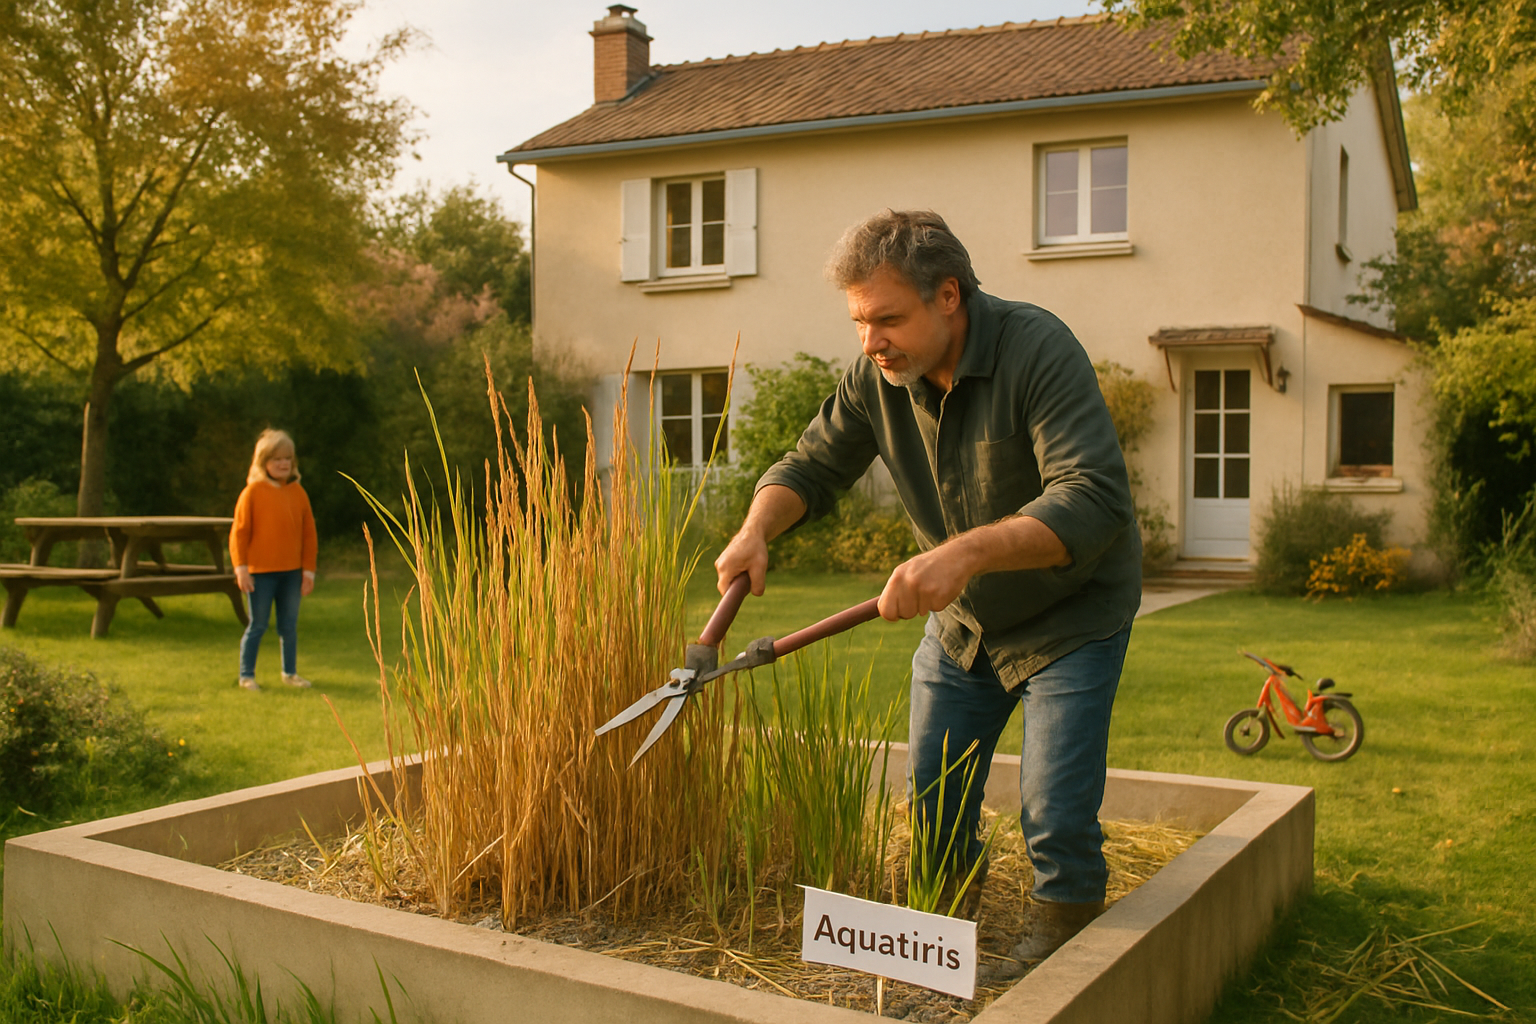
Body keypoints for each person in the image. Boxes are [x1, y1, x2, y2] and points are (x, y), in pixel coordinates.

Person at [713, 210, 1141, 965]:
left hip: (1071, 616)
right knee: (935, 795)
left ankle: (1062, 947)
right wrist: (756, 530)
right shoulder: (875, 378)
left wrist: (964, 555)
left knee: (1053, 810)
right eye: (858, 322)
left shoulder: (1038, 349)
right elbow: (808, 468)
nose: (871, 341)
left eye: (887, 318)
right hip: (964, 625)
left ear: (949, 296)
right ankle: (937, 938)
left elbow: (1092, 497)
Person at [230, 428, 318, 692]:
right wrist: (241, 569)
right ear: (262, 462)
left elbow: (309, 535)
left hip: (291, 573)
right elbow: (239, 534)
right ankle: (246, 676)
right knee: (257, 625)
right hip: (260, 574)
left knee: (288, 626)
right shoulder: (252, 493)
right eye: (276, 458)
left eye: (287, 458)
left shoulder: (298, 493)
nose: (282, 463)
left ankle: (289, 673)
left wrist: (308, 572)